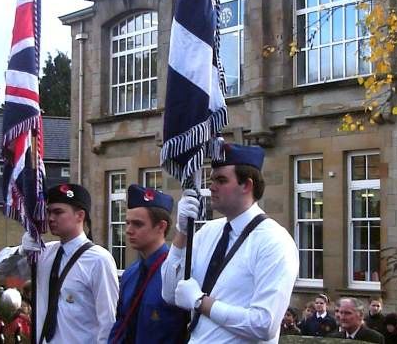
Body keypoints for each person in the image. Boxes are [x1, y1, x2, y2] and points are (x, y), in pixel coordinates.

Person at [161, 143, 299, 343]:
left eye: (221, 180)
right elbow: (169, 293)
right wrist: (182, 233)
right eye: (211, 179)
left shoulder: (273, 240)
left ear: (247, 185)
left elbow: (264, 325)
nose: (211, 187)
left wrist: (201, 302)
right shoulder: (208, 232)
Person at [0, 183, 119, 344]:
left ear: (80, 215)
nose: (51, 218)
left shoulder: (99, 260)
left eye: (58, 212)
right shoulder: (44, 253)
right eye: (49, 212)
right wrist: (22, 250)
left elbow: (107, 321)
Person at [109, 184, 187, 343]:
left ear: (161, 226)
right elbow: (121, 324)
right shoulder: (130, 273)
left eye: (137, 224)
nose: (129, 230)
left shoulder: (176, 273)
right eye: (127, 223)